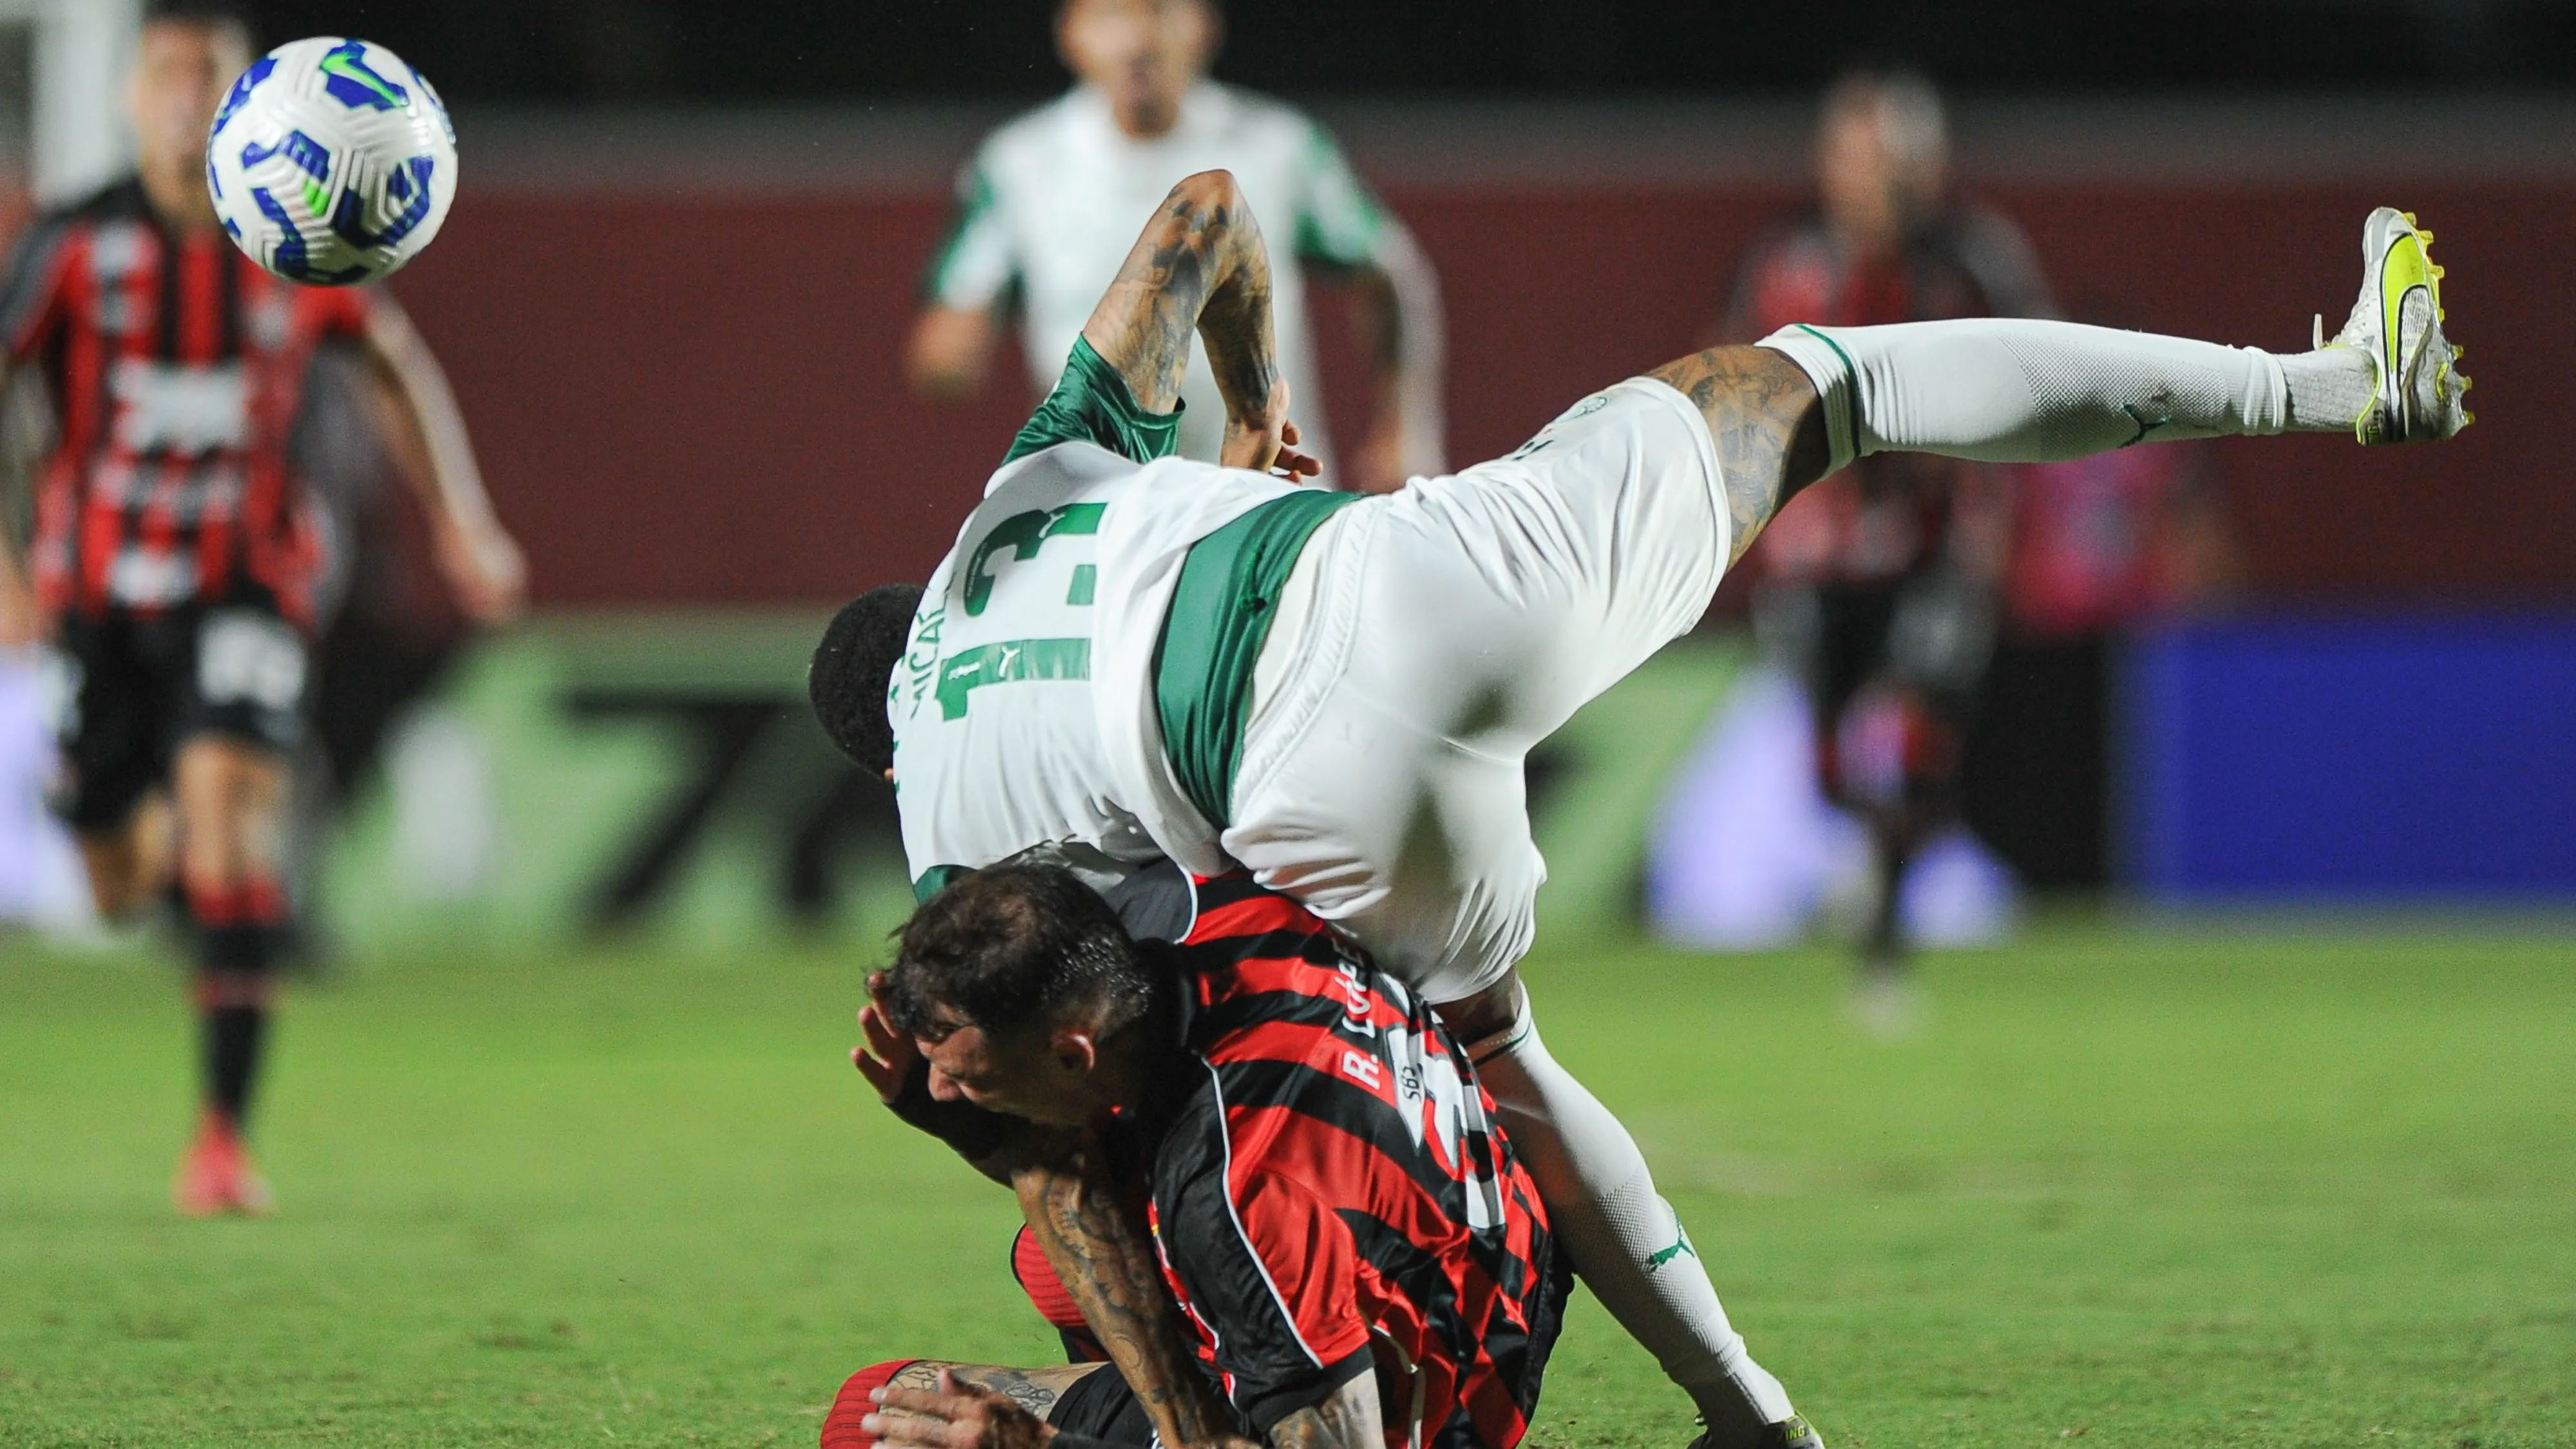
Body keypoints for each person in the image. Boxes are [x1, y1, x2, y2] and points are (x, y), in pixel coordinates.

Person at [808, 170, 2468, 1449]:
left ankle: (1748, 1409)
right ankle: (2327, 383)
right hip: (1399, 582)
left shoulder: (946, 837)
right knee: (1825, 382)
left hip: (1318, 800)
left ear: (882, 753)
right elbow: (1204, 217)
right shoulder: (1028, 484)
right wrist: (1250, 404)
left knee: (1498, 1056)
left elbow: (1064, 1149)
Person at [0, 0, 524, 1215]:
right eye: (168, 76)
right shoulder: (77, 246)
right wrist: (13, 568)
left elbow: (393, 363)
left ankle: (222, 1144)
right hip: (100, 602)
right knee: (123, 877)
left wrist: (464, 517)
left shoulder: (297, 244)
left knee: (234, 832)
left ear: (248, 103)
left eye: (209, 77)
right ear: (135, 97)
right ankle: (176, 846)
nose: (187, 98)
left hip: (248, 583)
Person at [828, 862, 1582, 1449]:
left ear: (1072, 1051)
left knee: (872, 1414)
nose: (943, 1087)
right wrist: (968, 1123)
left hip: (1446, 1398)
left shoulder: (1235, 1203)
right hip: (1493, 1256)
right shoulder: (1220, 919)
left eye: (966, 1076)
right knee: (1049, 1257)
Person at [1720, 70, 2054, 1011]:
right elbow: (1729, 384)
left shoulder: (1975, 260)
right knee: (1828, 766)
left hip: (1937, 547)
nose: (1881, 180)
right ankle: (1873, 862)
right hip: (1819, 553)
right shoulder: (1784, 260)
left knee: (1917, 735)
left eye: (1898, 159)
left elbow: (2055, 368)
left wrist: (1997, 488)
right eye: (1863, 158)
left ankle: (1888, 930)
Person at [907, 0, 1441, 493]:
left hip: (1261, 493)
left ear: (1204, 26)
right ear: (1070, 34)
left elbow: (1388, 272)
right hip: (1104, 500)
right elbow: (949, 341)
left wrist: (1405, 426)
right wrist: (953, 350)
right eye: (1111, 15)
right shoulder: (1019, 166)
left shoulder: (1278, 148)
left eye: (1159, 12)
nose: (1138, 40)